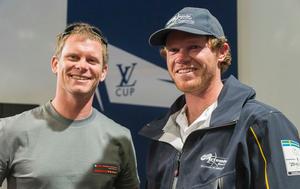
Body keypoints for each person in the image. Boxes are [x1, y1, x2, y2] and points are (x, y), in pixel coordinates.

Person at [139, 7, 300, 189]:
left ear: (222, 51)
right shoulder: (164, 135)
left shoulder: (262, 124)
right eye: (173, 50)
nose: (181, 58)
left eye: (194, 47)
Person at [0, 22, 139, 189]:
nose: (81, 66)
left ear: (103, 72)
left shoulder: (120, 138)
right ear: (55, 64)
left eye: (92, 60)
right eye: (73, 57)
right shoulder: (9, 130)